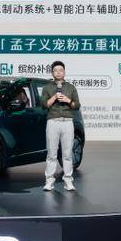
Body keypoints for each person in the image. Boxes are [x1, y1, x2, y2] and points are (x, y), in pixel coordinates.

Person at [39, 60, 80, 192]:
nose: (58, 72)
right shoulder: (47, 88)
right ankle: (49, 181)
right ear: (52, 73)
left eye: (60, 70)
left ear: (64, 72)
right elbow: (44, 105)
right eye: (55, 70)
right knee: (51, 153)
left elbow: (77, 105)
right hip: (53, 121)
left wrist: (68, 100)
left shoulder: (71, 88)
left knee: (67, 154)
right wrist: (54, 98)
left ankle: (68, 180)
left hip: (67, 122)